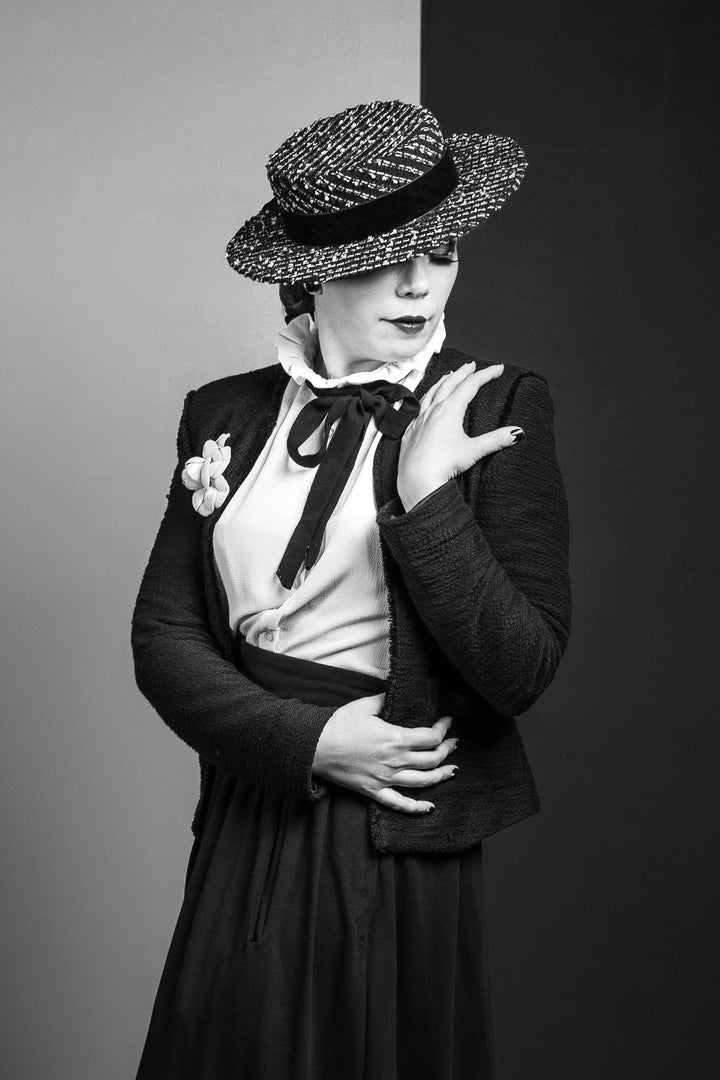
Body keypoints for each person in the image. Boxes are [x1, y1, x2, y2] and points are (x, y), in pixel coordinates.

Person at [131, 99, 571, 1080]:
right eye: (385, 258)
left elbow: (520, 669)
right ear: (314, 272)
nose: (420, 283)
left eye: (442, 251)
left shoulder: (500, 405)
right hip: (257, 790)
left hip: (396, 825)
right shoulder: (224, 413)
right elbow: (163, 637)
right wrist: (310, 741)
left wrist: (426, 498)